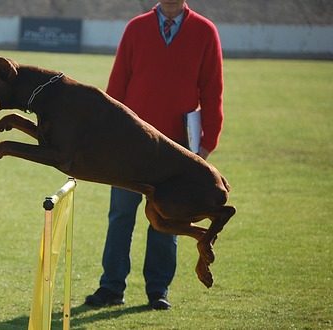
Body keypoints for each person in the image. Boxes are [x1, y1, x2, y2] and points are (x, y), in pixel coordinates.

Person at [84, 0, 224, 310]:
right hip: (128, 147)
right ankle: (111, 288)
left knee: (167, 221)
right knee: (120, 216)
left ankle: (158, 291)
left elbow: (212, 90)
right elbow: (117, 86)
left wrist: (206, 145)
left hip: (176, 152)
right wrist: (107, 136)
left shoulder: (205, 31)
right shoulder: (136, 28)